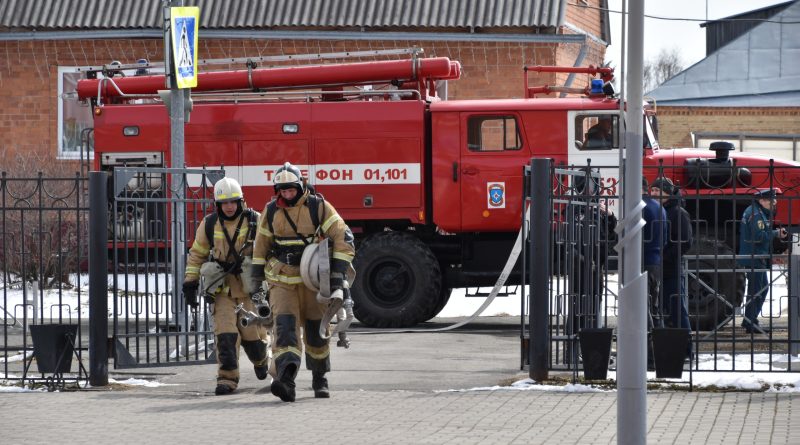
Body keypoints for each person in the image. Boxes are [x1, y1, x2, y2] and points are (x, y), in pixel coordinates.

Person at [251, 162, 355, 402]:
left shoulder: (318, 207)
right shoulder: (270, 211)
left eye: (291, 190)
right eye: (283, 190)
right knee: (285, 331)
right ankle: (286, 381)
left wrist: (337, 274)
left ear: (301, 187)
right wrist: (255, 278)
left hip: (313, 281)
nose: (287, 194)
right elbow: (261, 245)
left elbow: (343, 237)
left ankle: (320, 379)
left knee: (316, 332)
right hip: (281, 280)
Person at [182, 177, 270, 395]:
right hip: (222, 290)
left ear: (241, 201)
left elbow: (269, 252)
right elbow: (197, 255)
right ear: (218, 204)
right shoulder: (210, 224)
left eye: (233, 201)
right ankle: (227, 379)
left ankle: (261, 360)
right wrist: (190, 283)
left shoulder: (256, 221)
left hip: (250, 289)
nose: (229, 206)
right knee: (226, 336)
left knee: (253, 338)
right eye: (225, 203)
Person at [650, 177, 694, 358]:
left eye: (658, 191)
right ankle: (668, 349)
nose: (653, 194)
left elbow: (684, 243)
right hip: (657, 269)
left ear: (668, 193)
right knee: (662, 312)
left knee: (677, 310)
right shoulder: (657, 210)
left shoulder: (677, 212)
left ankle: (686, 351)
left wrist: (663, 258)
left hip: (671, 270)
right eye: (652, 190)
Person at [737, 189, 787, 334]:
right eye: (772, 200)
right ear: (762, 200)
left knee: (760, 289)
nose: (775, 203)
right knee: (757, 290)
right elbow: (758, 236)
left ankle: (750, 320)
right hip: (754, 257)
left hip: (756, 256)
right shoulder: (756, 215)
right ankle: (750, 322)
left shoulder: (756, 212)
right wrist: (776, 233)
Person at [642, 177, 666, 329]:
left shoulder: (641, 207)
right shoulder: (659, 207)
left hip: (643, 260)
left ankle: (648, 346)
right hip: (656, 259)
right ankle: (658, 344)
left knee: (643, 306)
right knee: (654, 306)